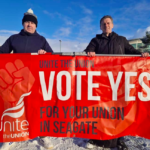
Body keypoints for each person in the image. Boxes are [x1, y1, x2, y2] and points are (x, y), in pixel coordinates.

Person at [84, 15, 149, 150]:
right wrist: (89, 53)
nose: (106, 25)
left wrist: (142, 55)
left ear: (112, 25)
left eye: (108, 23)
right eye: (103, 24)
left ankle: (119, 138)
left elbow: (133, 53)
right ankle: (98, 137)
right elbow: (85, 54)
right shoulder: (95, 41)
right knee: (101, 110)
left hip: (119, 83)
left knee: (119, 111)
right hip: (101, 83)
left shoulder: (121, 40)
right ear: (100, 27)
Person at [0, 9, 53, 150]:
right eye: (27, 22)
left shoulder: (41, 40)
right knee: (14, 108)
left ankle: (42, 136)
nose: (29, 24)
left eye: (32, 22)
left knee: (37, 108)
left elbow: (52, 57)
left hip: (36, 81)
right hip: (16, 81)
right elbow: (2, 53)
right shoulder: (13, 38)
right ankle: (11, 137)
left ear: (36, 25)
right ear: (23, 24)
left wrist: (45, 54)